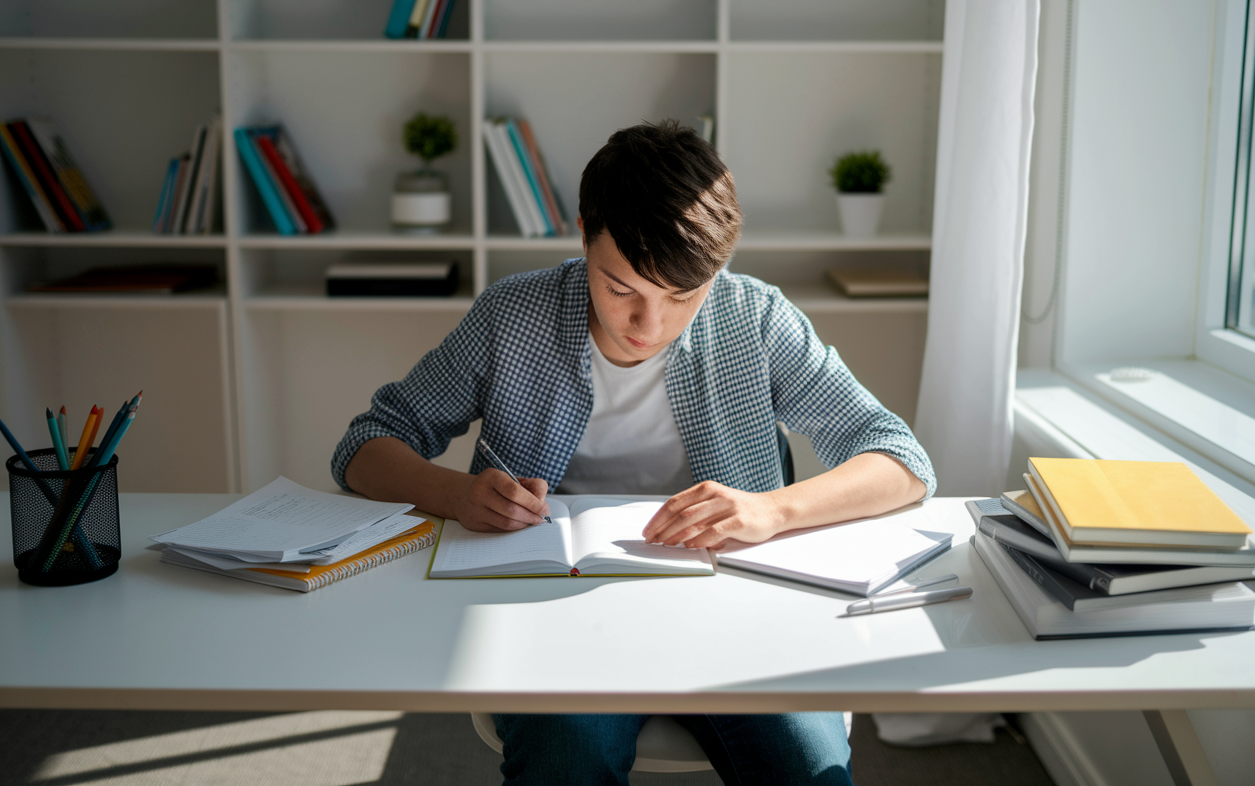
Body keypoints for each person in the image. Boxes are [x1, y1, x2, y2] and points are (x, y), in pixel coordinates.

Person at [333, 120, 935, 786]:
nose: (650, 326)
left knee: (806, 767)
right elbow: (366, 444)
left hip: (734, 611)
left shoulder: (755, 318)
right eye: (622, 289)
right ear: (584, 232)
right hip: (552, 615)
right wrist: (455, 494)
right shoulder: (512, 317)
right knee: (568, 758)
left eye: (682, 296)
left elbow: (900, 458)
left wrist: (772, 511)